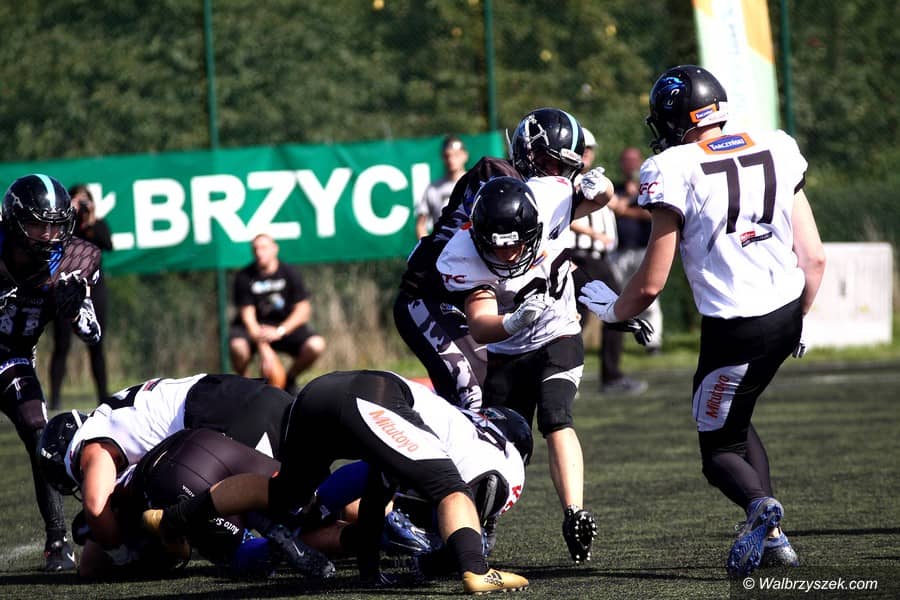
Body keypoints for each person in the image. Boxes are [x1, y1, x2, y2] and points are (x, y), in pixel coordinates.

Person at [578, 65, 826, 577]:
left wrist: (612, 310)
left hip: (735, 327)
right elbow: (815, 258)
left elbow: (651, 283)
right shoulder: (776, 144)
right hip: (786, 311)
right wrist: (800, 318)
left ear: (674, 118)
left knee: (717, 451)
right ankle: (774, 540)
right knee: (738, 416)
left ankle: (761, 508)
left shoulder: (672, 165)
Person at [143, 370, 530, 594]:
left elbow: (377, 492)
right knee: (451, 490)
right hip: (371, 397)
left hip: (319, 392)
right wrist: (468, 559)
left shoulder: (453, 425)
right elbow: (467, 494)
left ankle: (172, 518)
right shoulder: (503, 455)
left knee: (284, 492)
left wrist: (369, 571)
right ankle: (478, 573)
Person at [436, 172, 645, 566]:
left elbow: (603, 198)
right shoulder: (462, 253)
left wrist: (600, 187)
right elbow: (480, 324)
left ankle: (574, 513)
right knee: (498, 444)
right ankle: (484, 520)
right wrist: (513, 321)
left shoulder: (550, 201)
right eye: (496, 247)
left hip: (558, 335)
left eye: (515, 245)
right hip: (506, 351)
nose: (507, 256)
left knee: (555, 415)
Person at [394, 108, 602, 410]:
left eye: (563, 167)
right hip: (428, 297)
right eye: (548, 163)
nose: (556, 173)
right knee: (471, 392)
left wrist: (604, 299)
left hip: (471, 299)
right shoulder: (498, 178)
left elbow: (555, 261)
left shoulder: (537, 201)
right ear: (527, 154)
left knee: (492, 398)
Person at [35, 373, 293, 566]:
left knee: (274, 514)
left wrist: (121, 554)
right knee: (304, 495)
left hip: (223, 415)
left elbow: (95, 507)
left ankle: (264, 547)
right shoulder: (113, 420)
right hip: (249, 395)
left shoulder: (90, 444)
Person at [0, 173, 102, 571]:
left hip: (11, 357)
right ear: (14, 221)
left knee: (37, 428)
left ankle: (57, 540)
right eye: (37, 224)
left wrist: (74, 307)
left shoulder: (76, 258)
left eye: (55, 225)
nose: (48, 235)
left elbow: (92, 334)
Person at [565, 129, 648, 394]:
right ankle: (609, 376)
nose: (587, 154)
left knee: (575, 317)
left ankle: (563, 375)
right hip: (583, 255)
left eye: (590, 149)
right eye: (583, 149)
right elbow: (562, 217)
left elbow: (616, 205)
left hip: (596, 256)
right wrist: (594, 234)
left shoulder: (590, 180)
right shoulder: (568, 182)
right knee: (614, 307)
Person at [229, 233, 326, 393]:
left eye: (264, 248)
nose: (259, 252)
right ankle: (246, 386)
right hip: (255, 330)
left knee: (316, 344)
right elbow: (248, 317)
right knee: (237, 346)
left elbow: (303, 310)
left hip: (282, 327)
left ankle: (289, 380)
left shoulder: (290, 272)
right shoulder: (244, 277)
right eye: (255, 249)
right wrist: (263, 347)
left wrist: (280, 331)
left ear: (275, 249)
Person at [49, 184, 114, 408]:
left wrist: (92, 220)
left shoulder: (97, 225)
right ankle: (54, 399)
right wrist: (70, 215)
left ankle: (103, 397)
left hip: (94, 289)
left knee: (96, 343)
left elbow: (108, 245)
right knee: (62, 344)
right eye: (78, 200)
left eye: (86, 200)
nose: (83, 205)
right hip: (65, 287)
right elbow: (57, 244)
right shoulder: (64, 225)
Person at [609, 147, 664, 354]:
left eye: (634, 160)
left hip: (643, 250)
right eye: (627, 160)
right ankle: (616, 343)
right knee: (615, 296)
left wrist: (626, 209)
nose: (630, 165)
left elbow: (652, 215)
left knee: (649, 297)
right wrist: (627, 198)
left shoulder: (648, 187)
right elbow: (613, 208)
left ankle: (652, 342)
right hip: (619, 251)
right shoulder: (615, 188)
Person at [415, 135, 469, 239]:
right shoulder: (433, 189)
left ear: (465, 156)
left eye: (456, 155)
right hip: (442, 245)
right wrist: (428, 245)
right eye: (447, 155)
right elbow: (421, 225)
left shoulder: (473, 183)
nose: (451, 159)